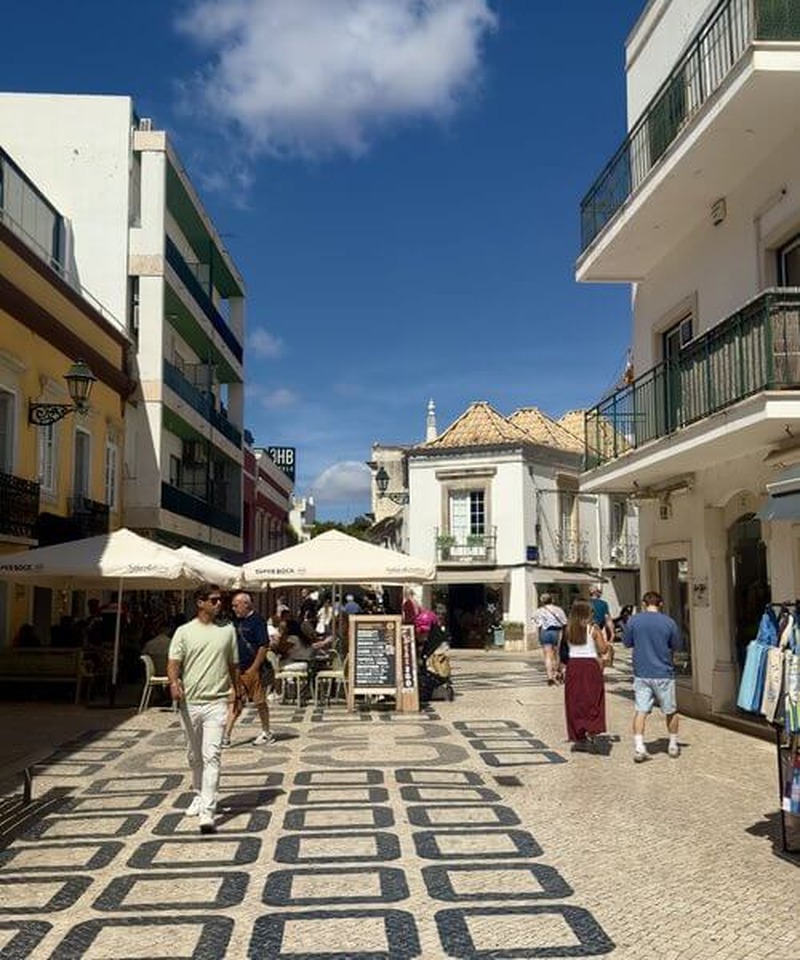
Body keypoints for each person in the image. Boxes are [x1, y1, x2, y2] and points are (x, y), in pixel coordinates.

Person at [167, 583, 241, 835]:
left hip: (217, 702)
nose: (219, 604)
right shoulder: (184, 632)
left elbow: (233, 664)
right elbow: (173, 663)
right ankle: (199, 793)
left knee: (212, 756)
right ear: (200, 602)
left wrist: (237, 690)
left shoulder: (228, 630)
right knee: (193, 754)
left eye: (221, 600)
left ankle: (208, 812)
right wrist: (174, 683)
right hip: (191, 702)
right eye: (214, 600)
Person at [623, 591, 684, 763]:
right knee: (670, 710)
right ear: (661, 604)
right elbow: (676, 645)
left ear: (643, 604)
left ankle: (639, 747)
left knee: (641, 710)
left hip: (641, 672)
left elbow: (627, 643)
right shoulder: (669, 622)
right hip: (664, 672)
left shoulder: (634, 621)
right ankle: (672, 745)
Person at [223, 591, 276, 749]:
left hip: (253, 670)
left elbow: (263, 646)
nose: (234, 608)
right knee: (235, 700)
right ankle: (226, 735)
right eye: (233, 606)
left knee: (259, 702)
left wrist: (254, 668)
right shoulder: (235, 622)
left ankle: (266, 732)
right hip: (238, 669)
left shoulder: (257, 621)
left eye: (236, 605)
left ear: (246, 604)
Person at [563, 598, 610, 749]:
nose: (593, 613)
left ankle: (579, 736)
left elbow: (561, 651)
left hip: (574, 666)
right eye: (591, 610)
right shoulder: (593, 628)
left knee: (575, 701)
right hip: (590, 666)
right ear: (586, 612)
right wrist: (607, 644)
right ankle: (593, 731)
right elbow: (602, 649)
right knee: (593, 698)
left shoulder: (568, 629)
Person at [533, 593, 567, 685]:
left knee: (547, 655)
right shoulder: (559, 610)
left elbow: (537, 624)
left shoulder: (538, 611)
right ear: (552, 600)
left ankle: (549, 676)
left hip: (544, 632)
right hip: (556, 632)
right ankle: (556, 673)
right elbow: (564, 622)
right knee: (556, 655)